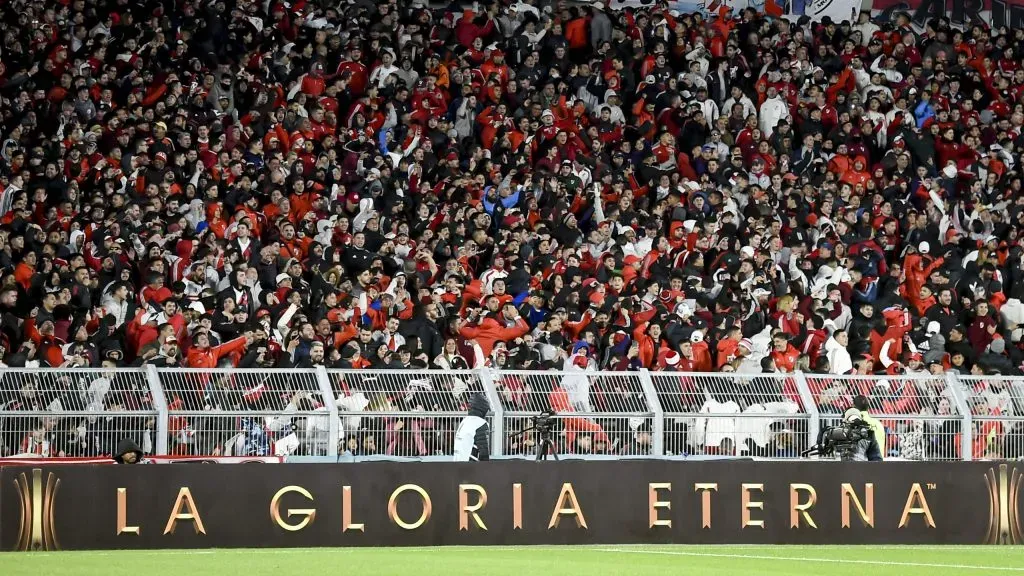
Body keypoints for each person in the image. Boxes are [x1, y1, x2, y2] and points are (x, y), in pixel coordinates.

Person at [453, 393, 491, 462]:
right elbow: (483, 452)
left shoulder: (464, 421)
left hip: (457, 465)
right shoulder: (480, 423)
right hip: (471, 468)